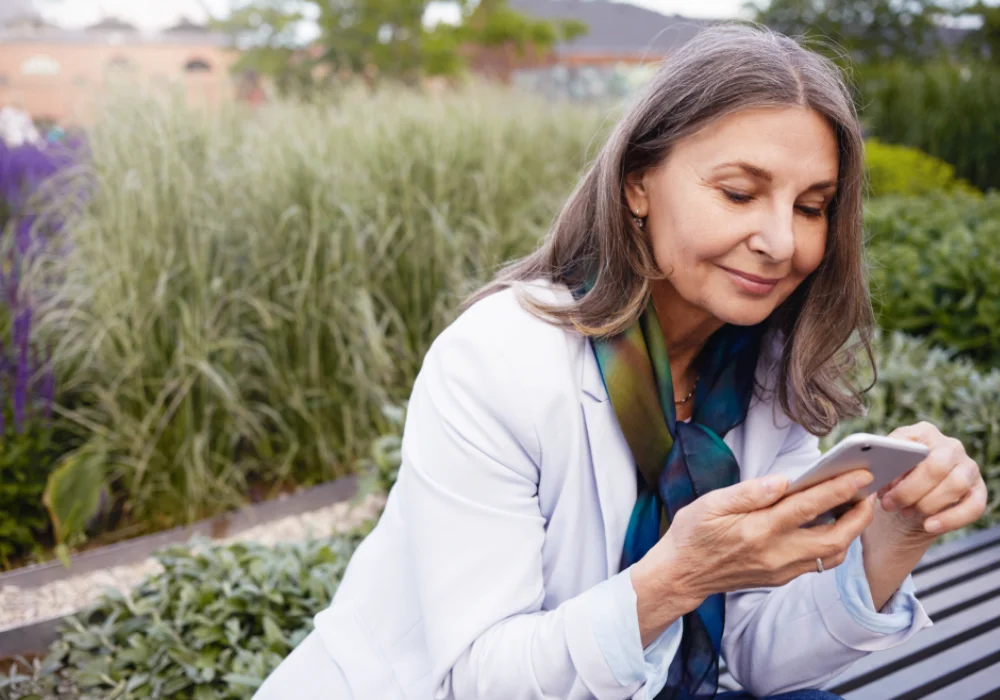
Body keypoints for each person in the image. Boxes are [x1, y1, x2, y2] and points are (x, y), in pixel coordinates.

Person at [255, 23, 987, 700]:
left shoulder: (764, 377)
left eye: (811, 206)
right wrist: (678, 577)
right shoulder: (497, 360)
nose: (780, 240)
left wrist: (897, 534)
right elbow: (484, 679)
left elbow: (763, 658)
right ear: (639, 181)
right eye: (740, 192)